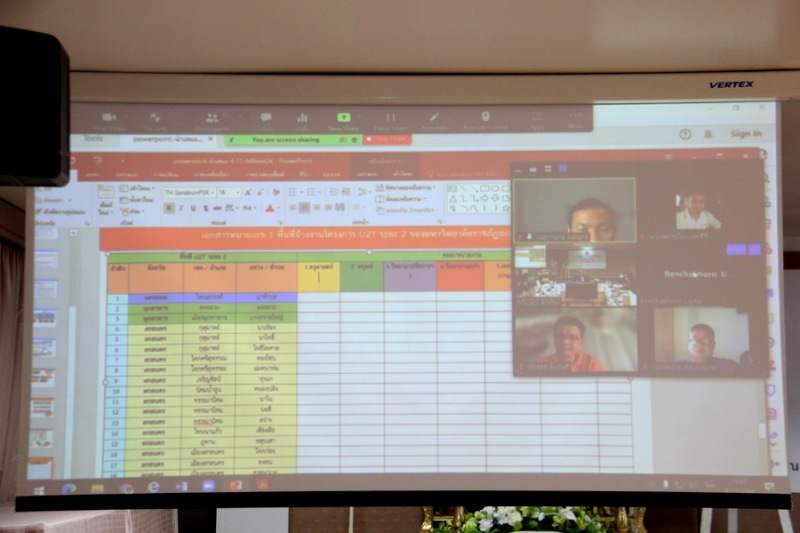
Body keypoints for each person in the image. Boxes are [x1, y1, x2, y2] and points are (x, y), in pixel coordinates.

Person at [538, 316, 604, 372]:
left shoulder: (591, 363)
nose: (565, 342)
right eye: (560, 337)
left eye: (572, 338)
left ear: (581, 342)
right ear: (554, 339)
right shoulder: (543, 363)